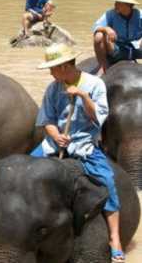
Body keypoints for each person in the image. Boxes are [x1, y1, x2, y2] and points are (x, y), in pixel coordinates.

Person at [32, 43, 124, 263]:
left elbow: (98, 119)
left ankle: (115, 238)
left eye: (53, 68)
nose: (50, 73)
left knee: (107, 181)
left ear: (64, 66)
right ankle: (10, 227)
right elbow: (47, 121)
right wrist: (55, 136)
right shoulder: (53, 88)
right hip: (54, 145)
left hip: (84, 145)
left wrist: (83, 96)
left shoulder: (95, 85)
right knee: (20, 172)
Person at [93, 0, 142, 76]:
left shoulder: (139, 15)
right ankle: (103, 66)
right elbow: (95, 27)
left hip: (135, 48)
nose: (115, 4)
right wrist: (106, 29)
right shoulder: (110, 14)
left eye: (119, 3)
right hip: (116, 49)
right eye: (116, 2)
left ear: (129, 5)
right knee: (98, 36)